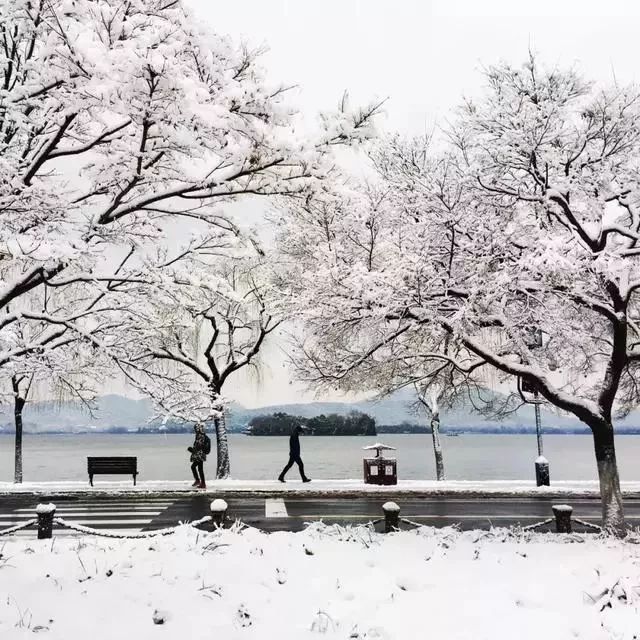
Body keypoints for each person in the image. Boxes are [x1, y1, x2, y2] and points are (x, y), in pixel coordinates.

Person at [188, 423, 209, 489]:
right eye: (195, 428)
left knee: (194, 467)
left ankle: (200, 482)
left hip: (200, 455)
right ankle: (201, 482)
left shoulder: (200, 436)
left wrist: (192, 450)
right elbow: (198, 446)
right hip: (200, 454)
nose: (195, 430)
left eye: (196, 428)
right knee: (199, 469)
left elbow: (199, 446)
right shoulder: (200, 435)